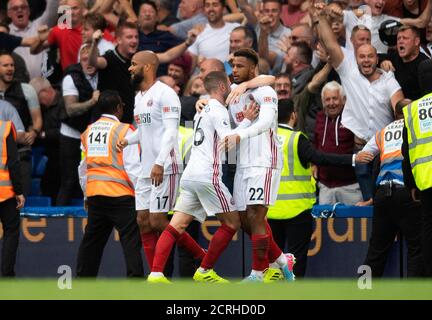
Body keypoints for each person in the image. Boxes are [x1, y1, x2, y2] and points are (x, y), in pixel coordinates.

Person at [147, 71, 256, 283]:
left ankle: (156, 273)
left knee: (175, 225)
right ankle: (205, 270)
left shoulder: (202, 111)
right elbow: (227, 141)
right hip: (208, 176)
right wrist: (247, 122)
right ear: (223, 88)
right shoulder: (217, 110)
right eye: (229, 85)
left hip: (190, 176)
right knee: (232, 223)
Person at [119, 51, 205, 271]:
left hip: (165, 166)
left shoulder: (166, 94)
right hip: (145, 168)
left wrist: (159, 162)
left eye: (133, 64)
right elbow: (144, 130)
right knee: (142, 221)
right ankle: (156, 275)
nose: (130, 68)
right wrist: (127, 141)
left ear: (147, 67)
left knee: (157, 220)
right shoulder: (139, 97)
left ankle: (199, 254)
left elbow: (170, 132)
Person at [267, 99, 373, 277]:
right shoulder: (296, 139)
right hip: (297, 211)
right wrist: (354, 159)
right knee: (295, 260)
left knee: (272, 263)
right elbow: (321, 159)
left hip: (270, 210)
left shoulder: (265, 139)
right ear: (293, 116)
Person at [316, 5, 404, 205]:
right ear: (356, 58)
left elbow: (398, 102)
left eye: (370, 56)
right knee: (368, 202)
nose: (366, 60)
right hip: (361, 148)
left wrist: (403, 108)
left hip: (386, 148)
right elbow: (330, 44)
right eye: (362, 56)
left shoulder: (387, 78)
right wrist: (321, 17)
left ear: (377, 58)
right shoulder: (348, 71)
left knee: (387, 200)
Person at [222, 48, 294, 282]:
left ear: (252, 69)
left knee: (256, 216)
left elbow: (264, 122)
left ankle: (258, 273)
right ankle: (283, 262)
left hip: (264, 161)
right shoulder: (234, 91)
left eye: (240, 66)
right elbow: (216, 89)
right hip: (243, 163)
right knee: (244, 220)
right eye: (233, 66)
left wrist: (239, 136)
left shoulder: (265, 92)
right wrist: (204, 102)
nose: (234, 70)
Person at [76, 90, 144, 278]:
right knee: (130, 242)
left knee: (91, 242)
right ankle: (136, 282)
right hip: (121, 195)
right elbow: (132, 168)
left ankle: (83, 282)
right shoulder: (125, 130)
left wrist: (86, 195)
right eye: (122, 105)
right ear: (118, 108)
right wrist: (141, 197)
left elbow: (83, 168)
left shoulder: (88, 132)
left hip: (96, 195)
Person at [362, 100, 423, 277]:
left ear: (395, 113)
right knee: (416, 249)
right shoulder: (416, 128)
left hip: (383, 195)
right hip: (407, 194)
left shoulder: (383, 132)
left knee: (375, 252)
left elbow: (364, 157)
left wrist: (372, 194)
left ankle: (362, 292)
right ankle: (415, 295)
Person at [57, 45, 100, 206]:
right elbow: (71, 109)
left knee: (95, 179)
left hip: (94, 135)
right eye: (84, 60)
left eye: (92, 60)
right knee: (68, 181)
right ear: (79, 61)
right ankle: (59, 218)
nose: (88, 63)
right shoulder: (71, 77)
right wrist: (92, 101)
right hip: (72, 133)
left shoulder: (105, 75)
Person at [402, 92, 432, 277]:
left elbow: (406, 152)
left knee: (428, 229)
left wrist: (410, 184)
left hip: (425, 180)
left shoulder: (412, 109)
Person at [0, 120, 25, 277]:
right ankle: (7, 275)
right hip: (4, 193)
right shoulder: (5, 128)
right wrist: (19, 191)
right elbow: (14, 162)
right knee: (11, 231)